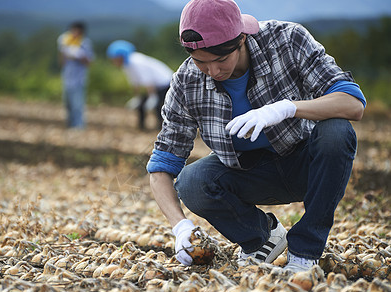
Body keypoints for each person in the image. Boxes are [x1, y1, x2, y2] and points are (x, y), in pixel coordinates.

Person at [146, 0, 366, 272]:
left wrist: (287, 109)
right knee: (192, 181)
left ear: (241, 39)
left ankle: (305, 252)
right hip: (251, 174)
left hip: (307, 165)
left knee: (337, 131)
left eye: (221, 60)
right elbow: (161, 166)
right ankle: (263, 237)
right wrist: (179, 226)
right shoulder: (186, 82)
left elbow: (353, 103)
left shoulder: (286, 40)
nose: (213, 72)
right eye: (201, 62)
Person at [106, 40, 173, 130]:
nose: (114, 62)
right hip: (155, 86)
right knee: (141, 104)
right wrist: (137, 97)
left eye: (114, 59)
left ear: (120, 56)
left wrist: (152, 96)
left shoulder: (136, 61)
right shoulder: (126, 65)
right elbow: (135, 83)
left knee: (159, 105)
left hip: (165, 83)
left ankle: (161, 127)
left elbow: (148, 80)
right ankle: (142, 127)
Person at [57, 21, 94, 129]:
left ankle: (79, 126)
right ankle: (70, 125)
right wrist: (64, 51)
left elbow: (89, 62)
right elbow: (62, 61)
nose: (73, 33)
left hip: (79, 79)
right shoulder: (66, 42)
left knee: (77, 104)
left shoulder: (85, 43)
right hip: (67, 77)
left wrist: (79, 55)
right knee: (68, 104)